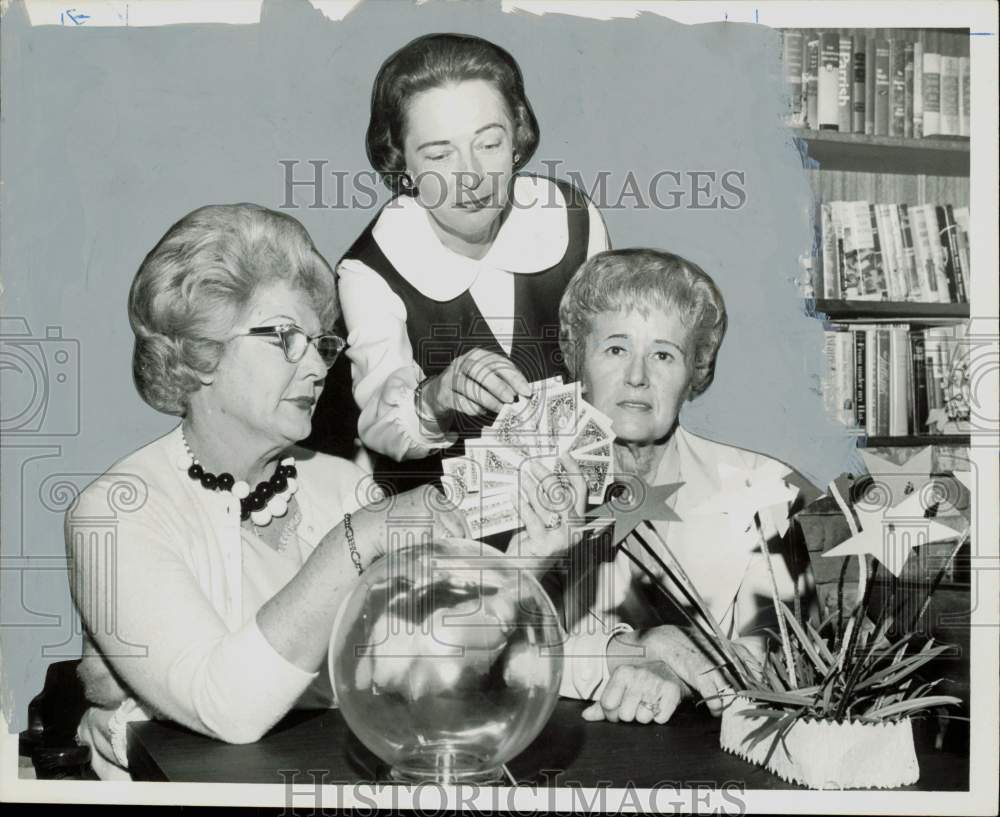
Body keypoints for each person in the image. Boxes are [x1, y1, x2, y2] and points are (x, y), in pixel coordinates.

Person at [66, 204, 467, 780]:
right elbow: (226, 708)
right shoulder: (117, 510)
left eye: (320, 343)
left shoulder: (343, 484)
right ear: (200, 349)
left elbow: (423, 670)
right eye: (284, 338)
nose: (316, 368)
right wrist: (355, 540)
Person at [320, 32, 610, 490]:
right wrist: (435, 397)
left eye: (489, 144)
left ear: (516, 138)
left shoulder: (572, 218)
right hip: (445, 529)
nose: (471, 177)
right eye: (439, 155)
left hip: (578, 503)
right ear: (403, 165)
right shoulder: (369, 269)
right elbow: (379, 423)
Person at [552, 248, 818, 724]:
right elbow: (494, 650)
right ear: (579, 362)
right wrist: (633, 652)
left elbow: (790, 663)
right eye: (615, 349)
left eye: (663, 354)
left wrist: (677, 669)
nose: (637, 377)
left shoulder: (762, 489)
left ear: (695, 373)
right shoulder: (524, 484)